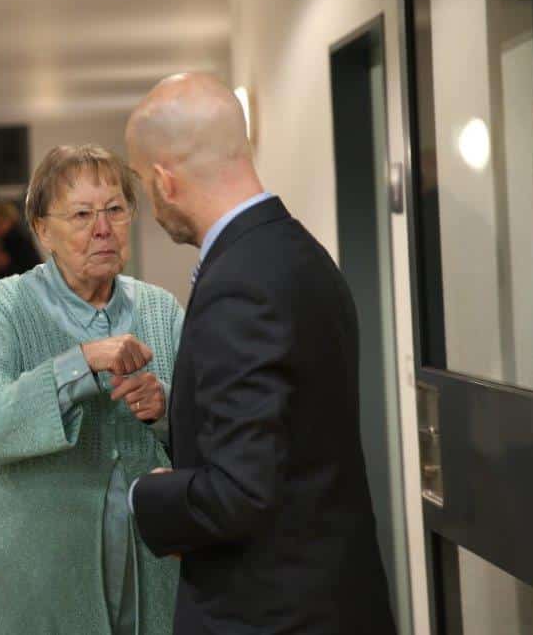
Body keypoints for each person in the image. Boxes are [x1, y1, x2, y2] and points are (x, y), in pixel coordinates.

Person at [125, 73, 397, 634]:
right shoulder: (298, 251)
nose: (149, 204)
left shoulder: (239, 283)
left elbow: (240, 491)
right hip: (331, 595)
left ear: (164, 182)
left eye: (142, 184)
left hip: (271, 612)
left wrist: (146, 494)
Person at [0, 144, 183, 635]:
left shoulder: (161, 309)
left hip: (150, 567)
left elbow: (212, 426)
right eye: (82, 214)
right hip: (35, 574)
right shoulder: (6, 305)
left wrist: (165, 406)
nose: (102, 228)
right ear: (42, 230)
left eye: (115, 210)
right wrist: (79, 363)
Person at [0, 199, 42, 283]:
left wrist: (8, 264)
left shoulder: (18, 241)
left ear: (11, 222)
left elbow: (32, 270)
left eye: (0, 223)